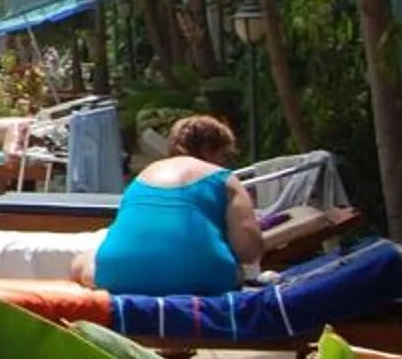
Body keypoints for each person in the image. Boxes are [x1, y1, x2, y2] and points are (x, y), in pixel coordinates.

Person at [77, 114, 263, 296]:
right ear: (207, 149)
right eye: (224, 155)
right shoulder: (223, 178)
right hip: (203, 280)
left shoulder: (142, 176)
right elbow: (248, 251)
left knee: (83, 260)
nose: (225, 162)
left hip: (118, 279)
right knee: (237, 271)